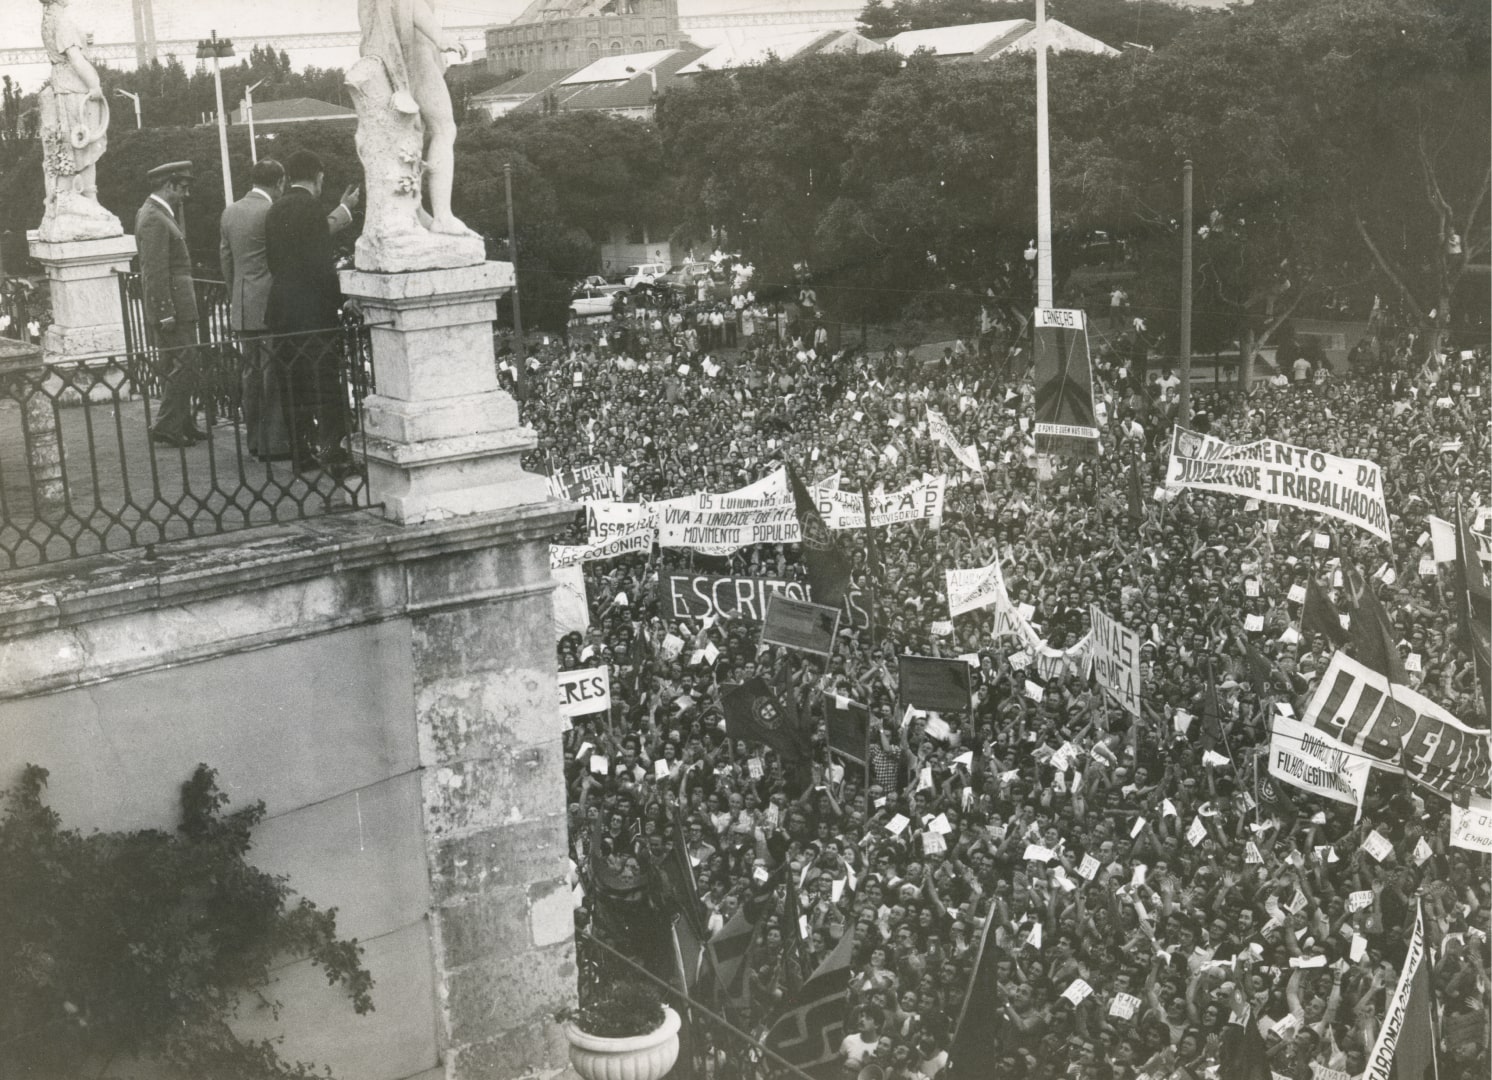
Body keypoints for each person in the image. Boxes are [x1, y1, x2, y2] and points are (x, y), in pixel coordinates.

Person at [220, 158, 360, 461]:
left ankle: (274, 444)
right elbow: (318, 249)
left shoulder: (242, 211)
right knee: (311, 381)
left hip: (263, 305)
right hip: (304, 308)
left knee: (269, 378)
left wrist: (236, 296)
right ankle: (304, 447)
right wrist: (340, 297)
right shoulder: (291, 208)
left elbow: (229, 262)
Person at [264, 149, 357, 476]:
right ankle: (334, 455)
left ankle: (301, 453)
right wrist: (340, 300)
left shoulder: (275, 209)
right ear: (318, 176)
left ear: (288, 177)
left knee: (293, 383)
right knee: (326, 384)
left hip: (282, 308)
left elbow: (275, 261)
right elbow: (321, 268)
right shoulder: (310, 209)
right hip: (312, 313)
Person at [135, 160, 203, 448]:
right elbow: (155, 270)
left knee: (178, 362)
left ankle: (183, 423)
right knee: (186, 361)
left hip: (176, 304)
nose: (185, 194)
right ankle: (166, 424)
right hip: (172, 307)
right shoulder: (154, 217)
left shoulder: (158, 213)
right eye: (182, 188)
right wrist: (165, 312)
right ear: (169, 185)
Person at [36, 0, 118, 239]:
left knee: (79, 143)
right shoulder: (62, 20)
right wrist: (95, 85)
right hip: (75, 89)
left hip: (64, 85)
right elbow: (75, 59)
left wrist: (84, 41)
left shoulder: (51, 18)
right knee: (84, 141)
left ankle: (86, 198)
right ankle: (87, 199)